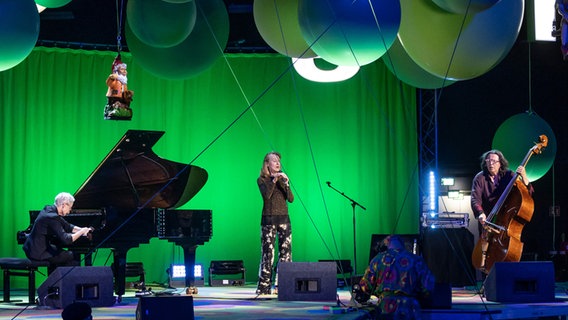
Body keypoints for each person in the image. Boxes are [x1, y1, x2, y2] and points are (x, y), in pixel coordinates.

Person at [355, 235, 435, 320]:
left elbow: (365, 286)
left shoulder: (377, 260)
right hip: (409, 307)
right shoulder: (416, 260)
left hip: (385, 308)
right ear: (402, 244)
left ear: (387, 244)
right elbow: (428, 287)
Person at [23, 192, 93, 273]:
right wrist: (81, 232)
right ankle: (61, 283)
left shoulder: (49, 209)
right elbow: (66, 239)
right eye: (70, 207)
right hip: (38, 253)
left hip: (32, 248)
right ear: (64, 205)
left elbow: (67, 226)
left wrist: (83, 230)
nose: (70, 211)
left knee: (59, 250)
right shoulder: (52, 217)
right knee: (72, 256)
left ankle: (55, 282)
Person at [256, 151, 294, 295]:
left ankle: (282, 285)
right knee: (268, 254)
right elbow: (267, 196)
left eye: (279, 161)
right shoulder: (262, 180)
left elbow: (290, 199)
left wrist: (287, 183)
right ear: (267, 164)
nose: (278, 163)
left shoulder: (283, 179)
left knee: (286, 255)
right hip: (269, 220)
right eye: (274, 161)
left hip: (284, 220)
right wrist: (273, 180)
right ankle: (264, 287)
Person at [470, 150, 532, 232]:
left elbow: (528, 192)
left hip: (505, 219)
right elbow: (475, 199)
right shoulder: (479, 177)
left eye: (494, 161)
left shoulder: (509, 175)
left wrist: (524, 176)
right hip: (487, 219)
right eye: (488, 160)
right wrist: (480, 213)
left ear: (500, 163)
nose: (490, 163)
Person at [104, 55, 133, 120]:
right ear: (117, 70)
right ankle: (113, 112)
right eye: (122, 69)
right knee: (115, 105)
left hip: (122, 97)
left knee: (125, 105)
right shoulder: (115, 78)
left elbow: (124, 90)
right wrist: (111, 78)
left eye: (125, 69)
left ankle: (123, 112)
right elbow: (108, 83)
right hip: (114, 97)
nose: (124, 71)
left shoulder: (124, 81)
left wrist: (128, 94)